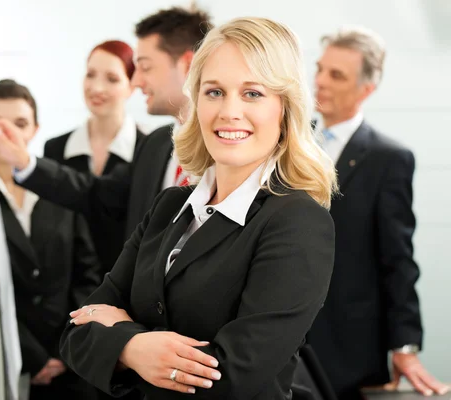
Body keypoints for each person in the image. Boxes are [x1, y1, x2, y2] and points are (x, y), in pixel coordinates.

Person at [58, 17, 337, 400]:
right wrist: (133, 349)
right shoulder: (170, 205)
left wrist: (124, 343)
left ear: (285, 109)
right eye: (214, 92)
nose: (229, 111)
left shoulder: (296, 222)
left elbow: (229, 379)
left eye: (253, 93)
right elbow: (76, 333)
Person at [0, 6, 213, 241]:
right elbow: (97, 195)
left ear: (187, 65)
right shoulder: (157, 145)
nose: (136, 80)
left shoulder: (227, 149)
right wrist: (22, 160)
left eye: (145, 67)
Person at [308, 26, 450, 399]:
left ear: (366, 89)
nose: (319, 81)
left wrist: (404, 346)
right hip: (283, 341)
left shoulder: (389, 159)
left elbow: (397, 260)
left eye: (335, 74)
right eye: (319, 68)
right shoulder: (288, 143)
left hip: (347, 350)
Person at [0, 79, 102, 400]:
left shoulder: (59, 188)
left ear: (35, 129)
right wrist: (31, 356)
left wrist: (65, 347)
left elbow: (88, 275)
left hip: (69, 362)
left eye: (21, 123)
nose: (8, 133)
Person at [44, 40, 145, 273]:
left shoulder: (146, 150)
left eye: (112, 79)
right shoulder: (56, 149)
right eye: (90, 75)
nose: (97, 88)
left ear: (131, 86)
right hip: (69, 288)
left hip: (128, 285)